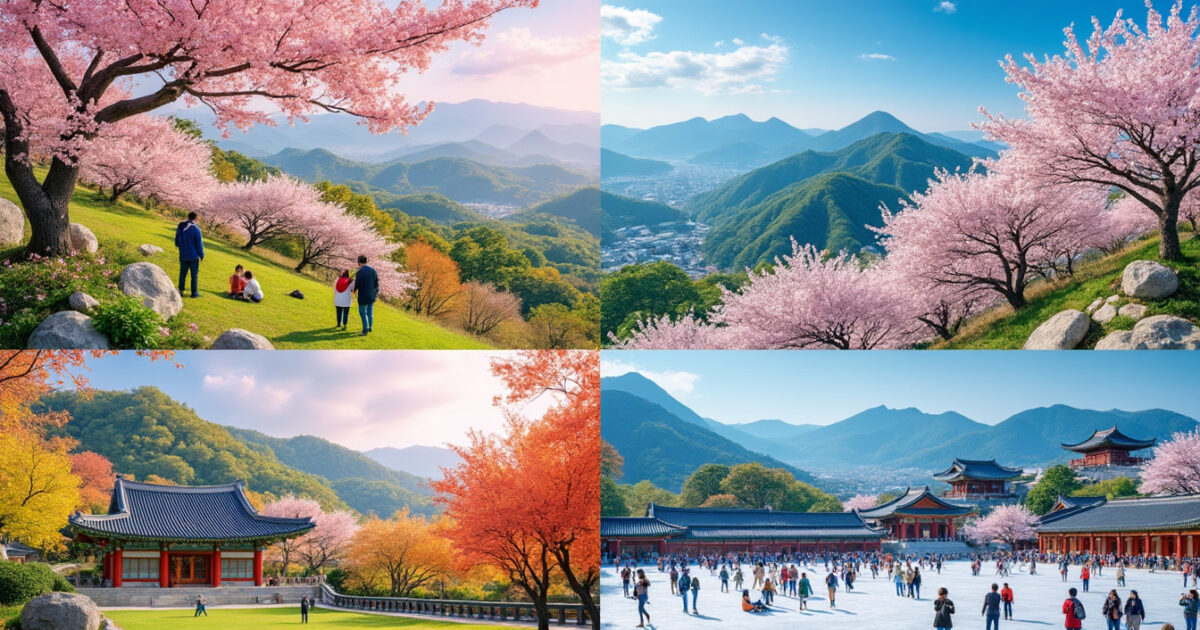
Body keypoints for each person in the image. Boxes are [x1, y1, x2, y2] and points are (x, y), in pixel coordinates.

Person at [175, 211, 204, 298]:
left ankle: (181, 291)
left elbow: (177, 241)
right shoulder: (196, 229)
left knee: (182, 274)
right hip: (193, 256)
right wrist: (201, 255)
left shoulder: (180, 226)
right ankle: (194, 293)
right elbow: (199, 244)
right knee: (194, 275)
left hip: (183, 254)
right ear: (196, 219)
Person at [353, 255, 379, 335]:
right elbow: (376, 284)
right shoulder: (373, 271)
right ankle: (370, 327)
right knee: (369, 312)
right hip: (371, 295)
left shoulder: (360, 272)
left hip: (363, 296)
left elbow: (357, 284)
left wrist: (353, 290)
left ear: (359, 262)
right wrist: (375, 294)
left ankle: (365, 330)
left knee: (362, 313)